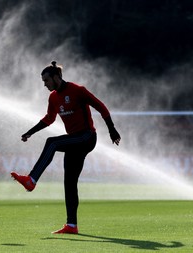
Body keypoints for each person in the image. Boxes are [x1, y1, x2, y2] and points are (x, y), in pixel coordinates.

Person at [11, 61, 121, 234]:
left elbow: (102, 107)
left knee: (52, 142)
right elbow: (49, 118)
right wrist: (30, 132)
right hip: (74, 141)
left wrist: (112, 130)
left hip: (87, 137)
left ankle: (31, 180)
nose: (45, 84)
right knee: (69, 183)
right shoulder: (53, 97)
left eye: (46, 80)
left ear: (56, 77)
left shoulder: (78, 90)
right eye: (43, 82)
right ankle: (71, 225)